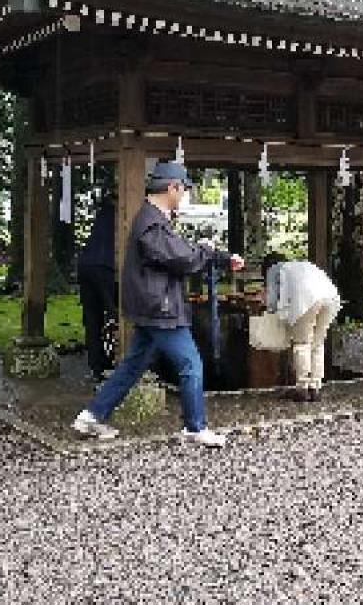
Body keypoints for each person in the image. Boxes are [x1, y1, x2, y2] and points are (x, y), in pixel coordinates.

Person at [72, 160, 244, 446]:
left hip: (152, 306)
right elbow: (183, 258)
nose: (186, 195)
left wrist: (217, 256)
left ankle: (91, 416)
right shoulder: (152, 222)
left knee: (132, 366)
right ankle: (194, 426)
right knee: (190, 363)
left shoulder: (153, 219)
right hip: (160, 308)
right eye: (184, 189)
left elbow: (181, 253)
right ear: (172, 188)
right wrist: (209, 252)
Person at [263, 255, 342, 401]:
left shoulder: (274, 270)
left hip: (307, 300)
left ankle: (302, 388)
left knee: (302, 343)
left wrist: (269, 310)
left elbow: (272, 302)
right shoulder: (303, 265)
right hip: (330, 298)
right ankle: (315, 386)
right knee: (317, 344)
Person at [77, 189, 117, 384]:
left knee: (92, 319)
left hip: (86, 265)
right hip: (105, 266)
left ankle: (97, 366)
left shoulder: (103, 212)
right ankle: (117, 362)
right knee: (115, 315)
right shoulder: (125, 211)